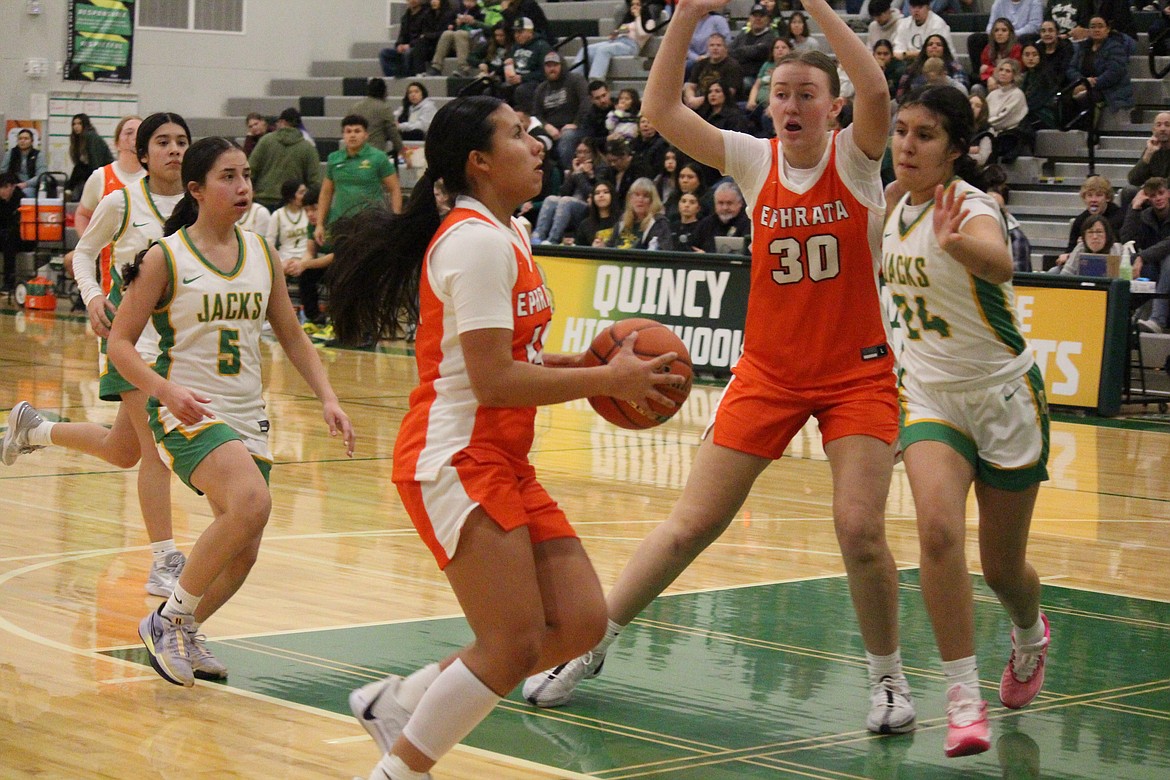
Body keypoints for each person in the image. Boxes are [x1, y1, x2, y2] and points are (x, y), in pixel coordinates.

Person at [523, 0, 917, 738]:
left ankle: (889, 679)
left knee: (859, 529)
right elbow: (662, 108)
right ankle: (589, 646)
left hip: (856, 374)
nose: (791, 105)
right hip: (768, 372)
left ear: (831, 109)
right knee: (688, 525)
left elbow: (879, 92)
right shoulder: (752, 158)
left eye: (806, 94)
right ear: (767, 105)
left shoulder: (858, 159)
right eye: (781, 93)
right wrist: (689, 13)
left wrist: (818, 9)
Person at [322, 95, 680, 780]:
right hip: (454, 455)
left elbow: (525, 362)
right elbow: (492, 381)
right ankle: (398, 771)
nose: (536, 143)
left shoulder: (507, 230)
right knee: (514, 642)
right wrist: (608, 379)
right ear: (479, 162)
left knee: (577, 624)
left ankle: (398, 702)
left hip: (503, 455)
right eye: (518, 135)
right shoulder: (475, 242)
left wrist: (604, 369)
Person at [105, 136, 353, 688]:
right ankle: (166, 620)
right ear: (195, 190)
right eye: (227, 177)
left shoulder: (261, 253)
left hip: (248, 413)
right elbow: (121, 344)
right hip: (186, 409)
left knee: (244, 547)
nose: (242, 187)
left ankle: (187, 626)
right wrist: (163, 393)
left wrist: (328, 397)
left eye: (245, 176)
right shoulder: (165, 256)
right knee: (250, 500)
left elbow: (291, 333)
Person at [883, 84, 1051, 758]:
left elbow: (1001, 260)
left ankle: (1031, 633)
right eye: (901, 132)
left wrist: (960, 247)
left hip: (1004, 397)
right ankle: (961, 696)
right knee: (937, 532)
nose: (906, 145)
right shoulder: (891, 205)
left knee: (1003, 567)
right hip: (930, 399)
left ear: (954, 149)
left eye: (924, 135)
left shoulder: (971, 207)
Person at [3, 113, 192, 597]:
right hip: (130, 341)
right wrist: (90, 297)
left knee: (123, 450)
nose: (174, 150)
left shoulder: (198, 205)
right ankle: (163, 561)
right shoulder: (122, 200)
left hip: (177, 344)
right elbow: (83, 253)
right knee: (157, 453)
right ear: (142, 154)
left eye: (182, 142)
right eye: (163, 142)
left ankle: (34, 429)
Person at [72, 116, 145, 297]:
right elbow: (82, 215)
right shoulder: (101, 177)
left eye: (140, 133)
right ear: (117, 143)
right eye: (129, 132)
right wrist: (90, 243)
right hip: (113, 273)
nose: (134, 137)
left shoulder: (156, 178)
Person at [315, 114, 403, 249]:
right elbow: (326, 193)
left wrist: (395, 219)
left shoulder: (379, 157)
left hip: (370, 223)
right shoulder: (334, 159)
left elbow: (395, 189)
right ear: (343, 135)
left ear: (366, 135)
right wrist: (320, 224)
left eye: (357, 131)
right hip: (341, 223)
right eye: (348, 131)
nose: (352, 135)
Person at [248, 107, 322, 212]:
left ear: (282, 122)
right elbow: (314, 182)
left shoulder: (265, 141)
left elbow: (250, 170)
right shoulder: (308, 148)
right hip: (293, 203)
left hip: (262, 201)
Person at [1064, 17, 1133, 127]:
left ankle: (1091, 135)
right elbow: (1071, 68)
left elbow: (1113, 73)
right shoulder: (1083, 48)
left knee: (1085, 99)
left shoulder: (1116, 47)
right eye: (1093, 27)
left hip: (1110, 91)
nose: (1096, 30)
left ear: (1107, 29)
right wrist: (1083, 81)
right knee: (1064, 98)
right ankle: (1071, 132)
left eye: (1100, 26)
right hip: (1085, 85)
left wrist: (1090, 84)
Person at [1123, 178, 1170, 333]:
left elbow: (1167, 244)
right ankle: (1122, 319)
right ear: (1147, 198)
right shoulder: (1145, 216)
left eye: (1161, 193)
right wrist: (1134, 208)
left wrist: (1142, 257)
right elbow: (1127, 240)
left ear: (1168, 193)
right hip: (1155, 268)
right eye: (1152, 195)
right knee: (1126, 260)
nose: (1157, 198)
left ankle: (1157, 320)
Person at [531, 51, 591, 171]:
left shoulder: (575, 80)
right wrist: (546, 125)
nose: (551, 69)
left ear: (562, 66)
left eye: (555, 65)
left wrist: (575, 123)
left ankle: (568, 174)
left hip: (577, 128)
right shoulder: (541, 88)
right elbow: (536, 114)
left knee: (567, 137)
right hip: (551, 129)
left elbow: (586, 103)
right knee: (534, 140)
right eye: (548, 66)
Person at [530, 142, 597, 245]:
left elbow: (591, 193)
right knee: (551, 199)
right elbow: (563, 192)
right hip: (567, 206)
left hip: (587, 207)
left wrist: (583, 175)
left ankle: (552, 240)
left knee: (566, 201)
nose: (582, 155)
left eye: (586, 152)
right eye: (579, 152)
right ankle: (538, 235)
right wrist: (573, 174)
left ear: (593, 153)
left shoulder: (600, 168)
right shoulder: (575, 168)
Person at [1056, 176, 1123, 265]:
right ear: (1084, 198)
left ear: (1107, 198)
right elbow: (1070, 249)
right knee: (1054, 271)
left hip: (1111, 263)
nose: (1093, 200)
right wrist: (1067, 255)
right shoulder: (1080, 220)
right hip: (1083, 263)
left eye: (1098, 195)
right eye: (1089, 195)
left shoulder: (1120, 216)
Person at [605, 176, 674, 249]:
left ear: (652, 201)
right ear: (630, 198)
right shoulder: (622, 223)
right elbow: (609, 247)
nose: (640, 199)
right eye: (637, 195)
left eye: (645, 196)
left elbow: (662, 252)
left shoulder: (659, 224)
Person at [1123, 112, 1170, 212]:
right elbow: (1133, 180)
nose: (1162, 129)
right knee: (1128, 191)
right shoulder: (1152, 149)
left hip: (1163, 192)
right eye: (1159, 125)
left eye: (1167, 125)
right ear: (1153, 130)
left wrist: (1149, 190)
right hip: (1154, 192)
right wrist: (1148, 153)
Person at [684, 33, 744, 108]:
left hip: (722, 107)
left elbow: (729, 93)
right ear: (707, 48)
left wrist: (700, 101)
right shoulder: (701, 63)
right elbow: (690, 85)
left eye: (718, 45)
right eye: (712, 45)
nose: (715, 48)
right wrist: (691, 98)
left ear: (726, 48)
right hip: (697, 103)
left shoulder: (733, 66)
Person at [986, 59, 1029, 164]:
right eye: (1001, 70)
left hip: (1007, 136)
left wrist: (985, 126)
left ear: (1014, 75)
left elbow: (1003, 119)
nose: (1003, 73)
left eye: (1008, 71)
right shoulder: (993, 94)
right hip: (990, 132)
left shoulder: (1017, 94)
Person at [380, 0, 437, 78]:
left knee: (408, 52)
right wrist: (399, 45)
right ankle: (393, 76)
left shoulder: (427, 14)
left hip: (420, 48)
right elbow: (402, 35)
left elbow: (426, 36)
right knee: (384, 53)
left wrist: (409, 45)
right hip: (406, 47)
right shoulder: (405, 17)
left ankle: (407, 76)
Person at [690, 179, 750, 252]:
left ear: (740, 203)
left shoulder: (748, 224)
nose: (725, 208)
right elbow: (692, 247)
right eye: (721, 203)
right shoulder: (706, 224)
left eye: (729, 203)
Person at [1051, 213, 1122, 275]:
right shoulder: (1080, 248)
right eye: (1090, 232)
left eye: (1099, 232)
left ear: (1107, 235)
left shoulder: (1116, 249)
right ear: (1084, 236)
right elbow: (1066, 275)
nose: (1095, 237)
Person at [351, 78, 405, 159]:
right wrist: (403, 153)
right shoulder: (384, 108)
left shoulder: (355, 107)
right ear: (384, 92)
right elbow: (394, 134)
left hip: (355, 152)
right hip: (374, 154)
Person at [428, 0, 486, 76]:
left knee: (460, 33)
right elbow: (451, 23)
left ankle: (464, 68)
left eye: (471, 1)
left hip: (477, 40)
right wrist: (454, 24)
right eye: (466, 1)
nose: (468, 4)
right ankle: (436, 66)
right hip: (460, 41)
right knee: (447, 33)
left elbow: (485, 28)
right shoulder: (459, 10)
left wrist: (474, 22)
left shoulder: (480, 11)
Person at [66, 113, 115, 202]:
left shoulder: (91, 137)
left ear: (85, 124)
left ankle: (69, 190)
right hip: (89, 171)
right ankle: (69, 191)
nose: (76, 127)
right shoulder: (78, 140)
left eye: (79, 124)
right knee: (78, 170)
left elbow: (96, 162)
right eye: (74, 124)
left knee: (78, 172)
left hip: (103, 170)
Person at [730, 4, 777, 92]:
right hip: (737, 75)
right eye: (755, 16)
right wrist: (744, 52)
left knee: (739, 84)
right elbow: (729, 51)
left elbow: (758, 52)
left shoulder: (770, 37)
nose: (757, 19)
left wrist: (741, 51)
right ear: (749, 18)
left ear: (767, 20)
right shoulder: (743, 35)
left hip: (756, 79)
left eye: (761, 16)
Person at [265, 179, 312, 264]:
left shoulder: (309, 212)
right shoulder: (277, 215)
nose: (305, 195)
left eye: (306, 192)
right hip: (284, 261)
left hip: (305, 260)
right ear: (291, 197)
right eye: (301, 193)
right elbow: (269, 243)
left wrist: (302, 263)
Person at [2, 128, 47, 198]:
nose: (22, 141)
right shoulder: (10, 153)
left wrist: (26, 184)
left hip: (31, 186)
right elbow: (3, 171)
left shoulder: (38, 155)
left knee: (26, 192)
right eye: (20, 139)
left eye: (26, 138)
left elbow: (42, 175)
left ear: (32, 141)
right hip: (12, 185)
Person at [978, 18, 1023, 86]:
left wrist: (989, 69)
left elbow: (1013, 72)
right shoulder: (988, 48)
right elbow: (982, 72)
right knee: (976, 87)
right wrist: (989, 78)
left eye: (1004, 30)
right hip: (992, 82)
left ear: (1010, 33)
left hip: (1012, 84)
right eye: (996, 30)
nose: (999, 33)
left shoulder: (1017, 49)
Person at [576, 180, 619, 246]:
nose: (601, 195)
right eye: (597, 193)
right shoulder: (585, 225)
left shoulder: (623, 220)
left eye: (606, 192)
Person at [0, 173, 22, 294]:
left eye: (4, 188)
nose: (2, 192)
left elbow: (18, 224)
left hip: (20, 238)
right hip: (4, 234)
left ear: (11, 187)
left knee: (9, 240)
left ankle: (9, 282)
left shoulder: (21, 199)